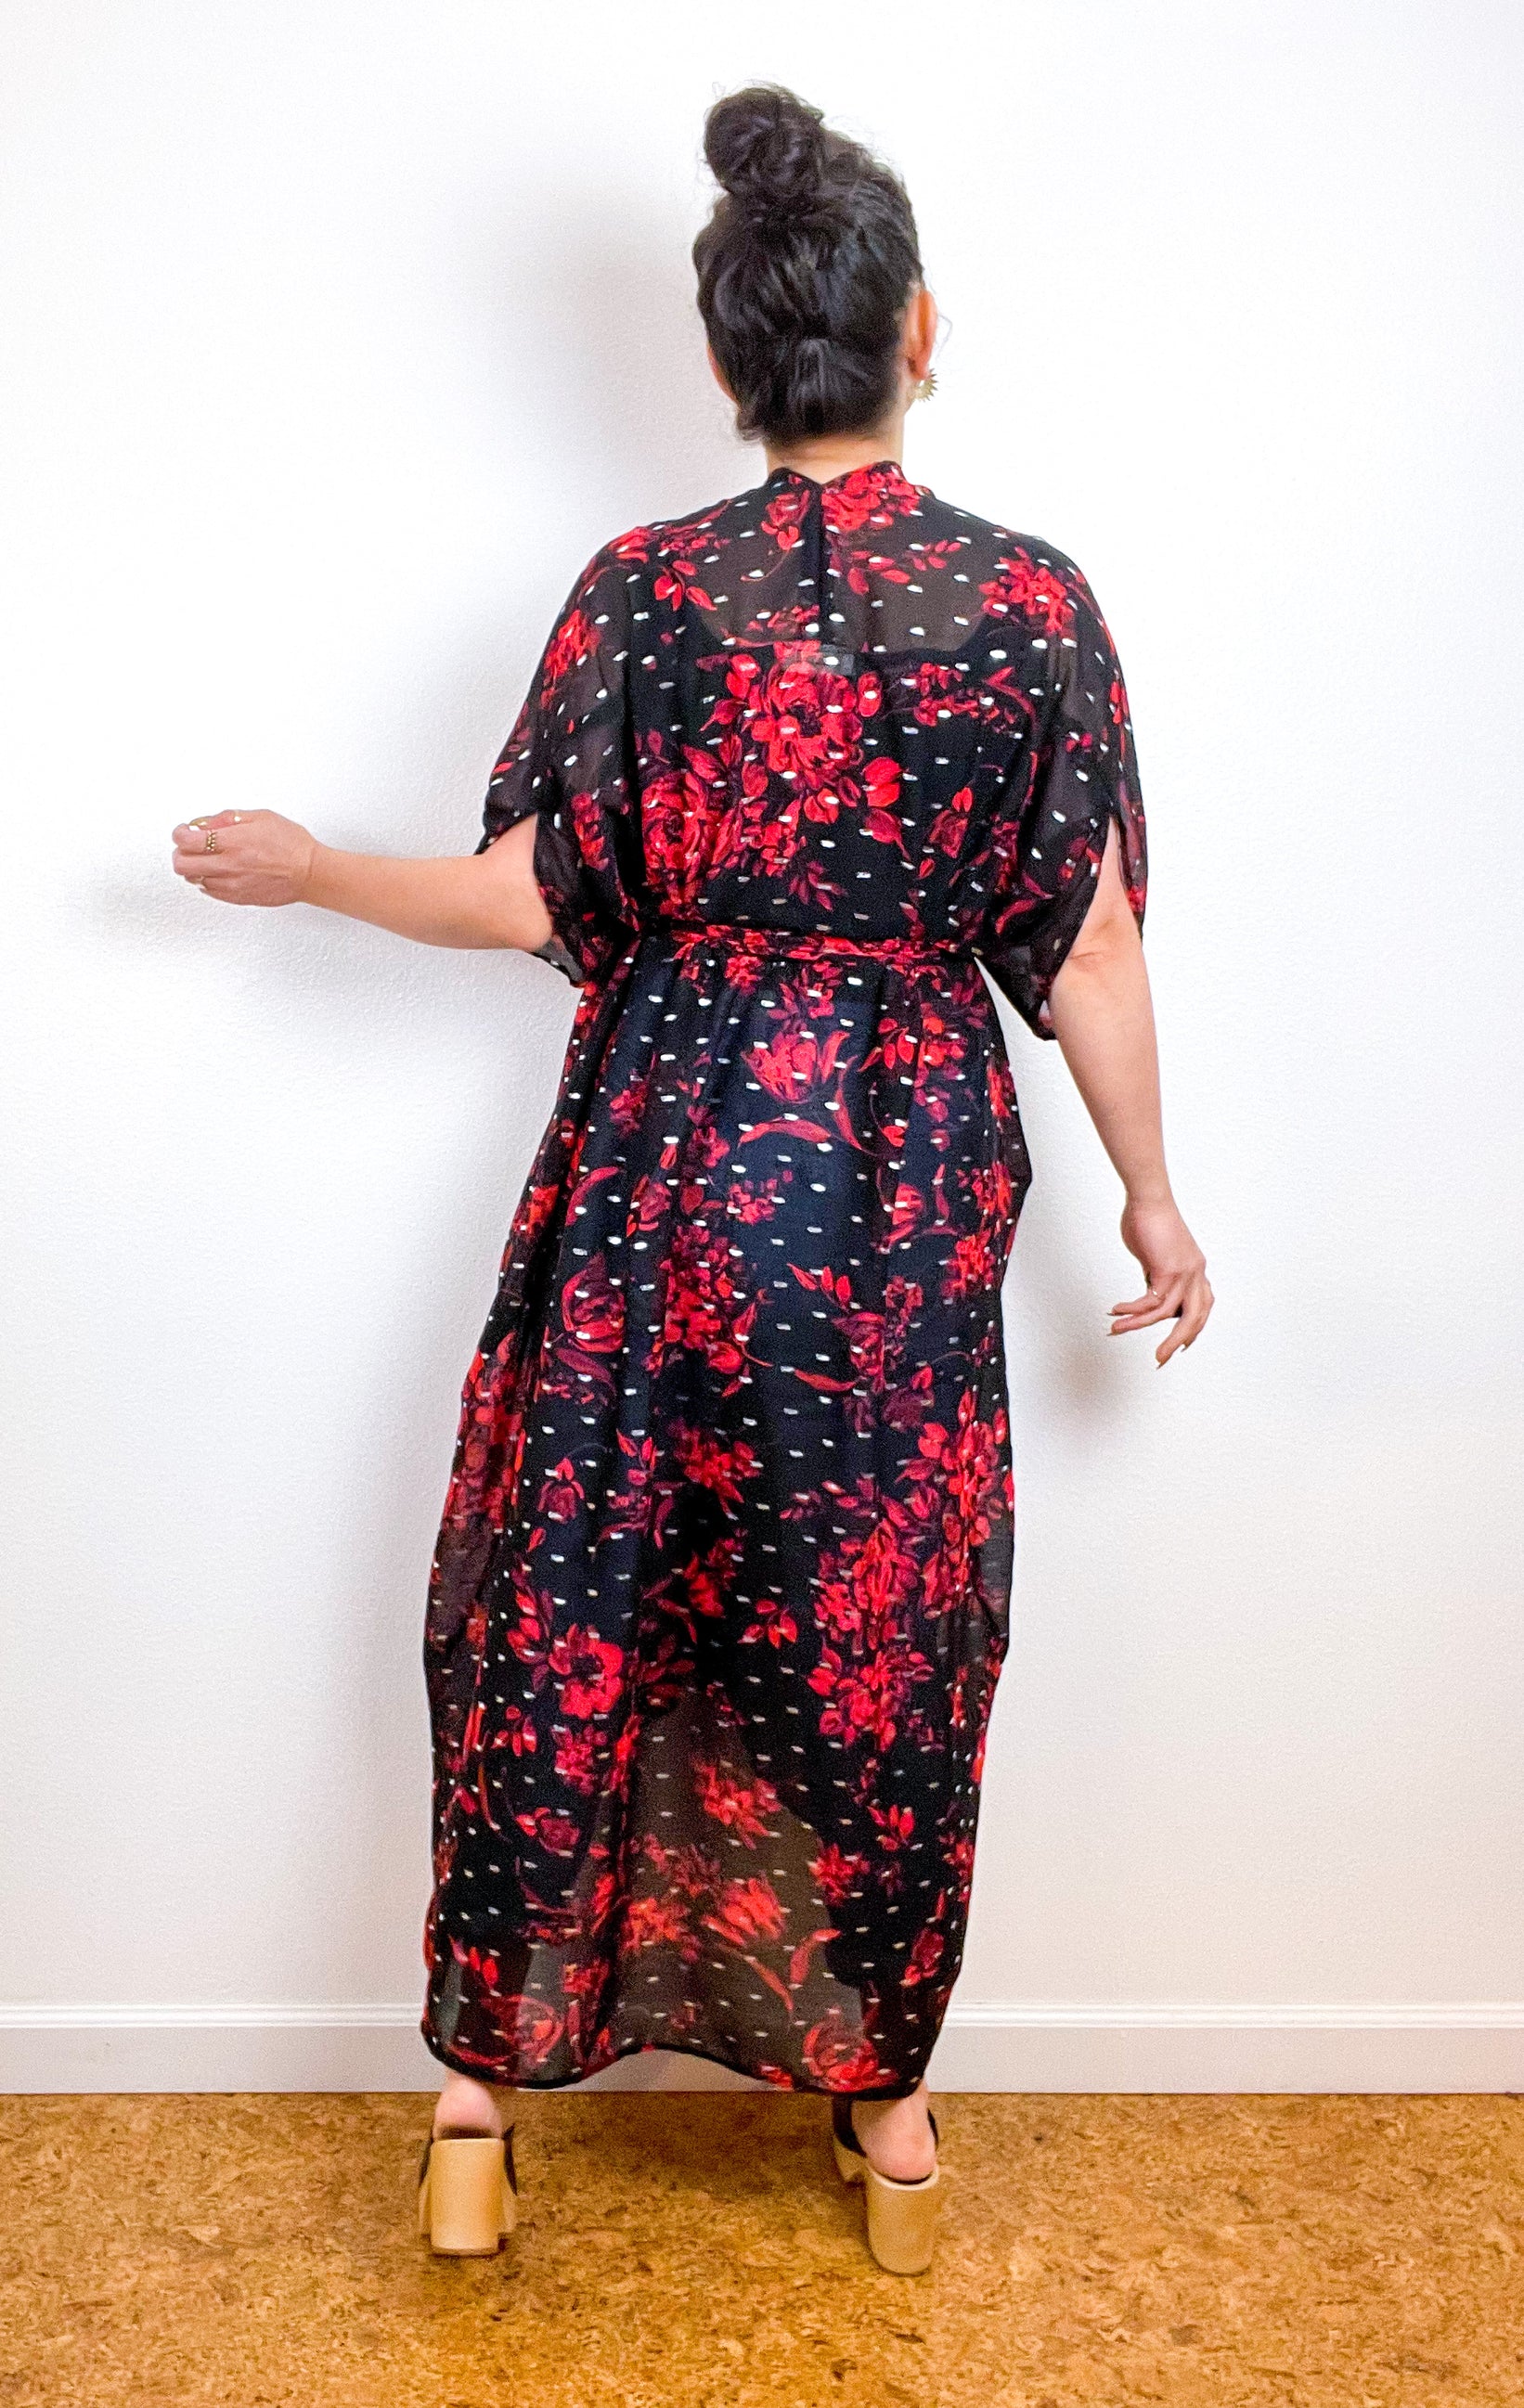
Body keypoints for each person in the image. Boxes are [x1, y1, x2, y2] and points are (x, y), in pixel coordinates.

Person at [168, 82, 1212, 2274]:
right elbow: (1090, 943)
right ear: (917, 329)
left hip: (659, 1159)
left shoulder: (643, 593)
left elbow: (512, 894)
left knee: (578, 1581)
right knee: (875, 1614)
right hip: (893, 1190)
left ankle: (477, 2108)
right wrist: (1151, 1192)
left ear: (730, 362)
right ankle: (886, 2114)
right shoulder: (1027, 603)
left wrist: (314, 868)